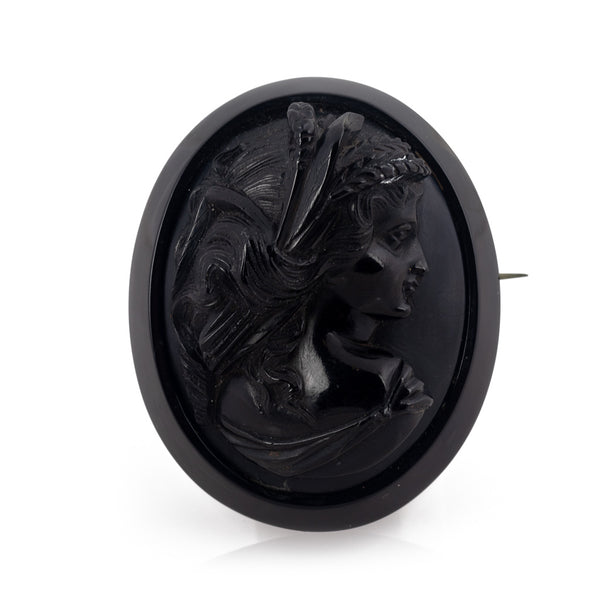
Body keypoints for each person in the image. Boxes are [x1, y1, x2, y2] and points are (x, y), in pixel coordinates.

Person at [172, 102, 433, 478]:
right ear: (332, 254)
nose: (421, 264)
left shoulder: (395, 388)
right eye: (397, 238)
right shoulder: (388, 393)